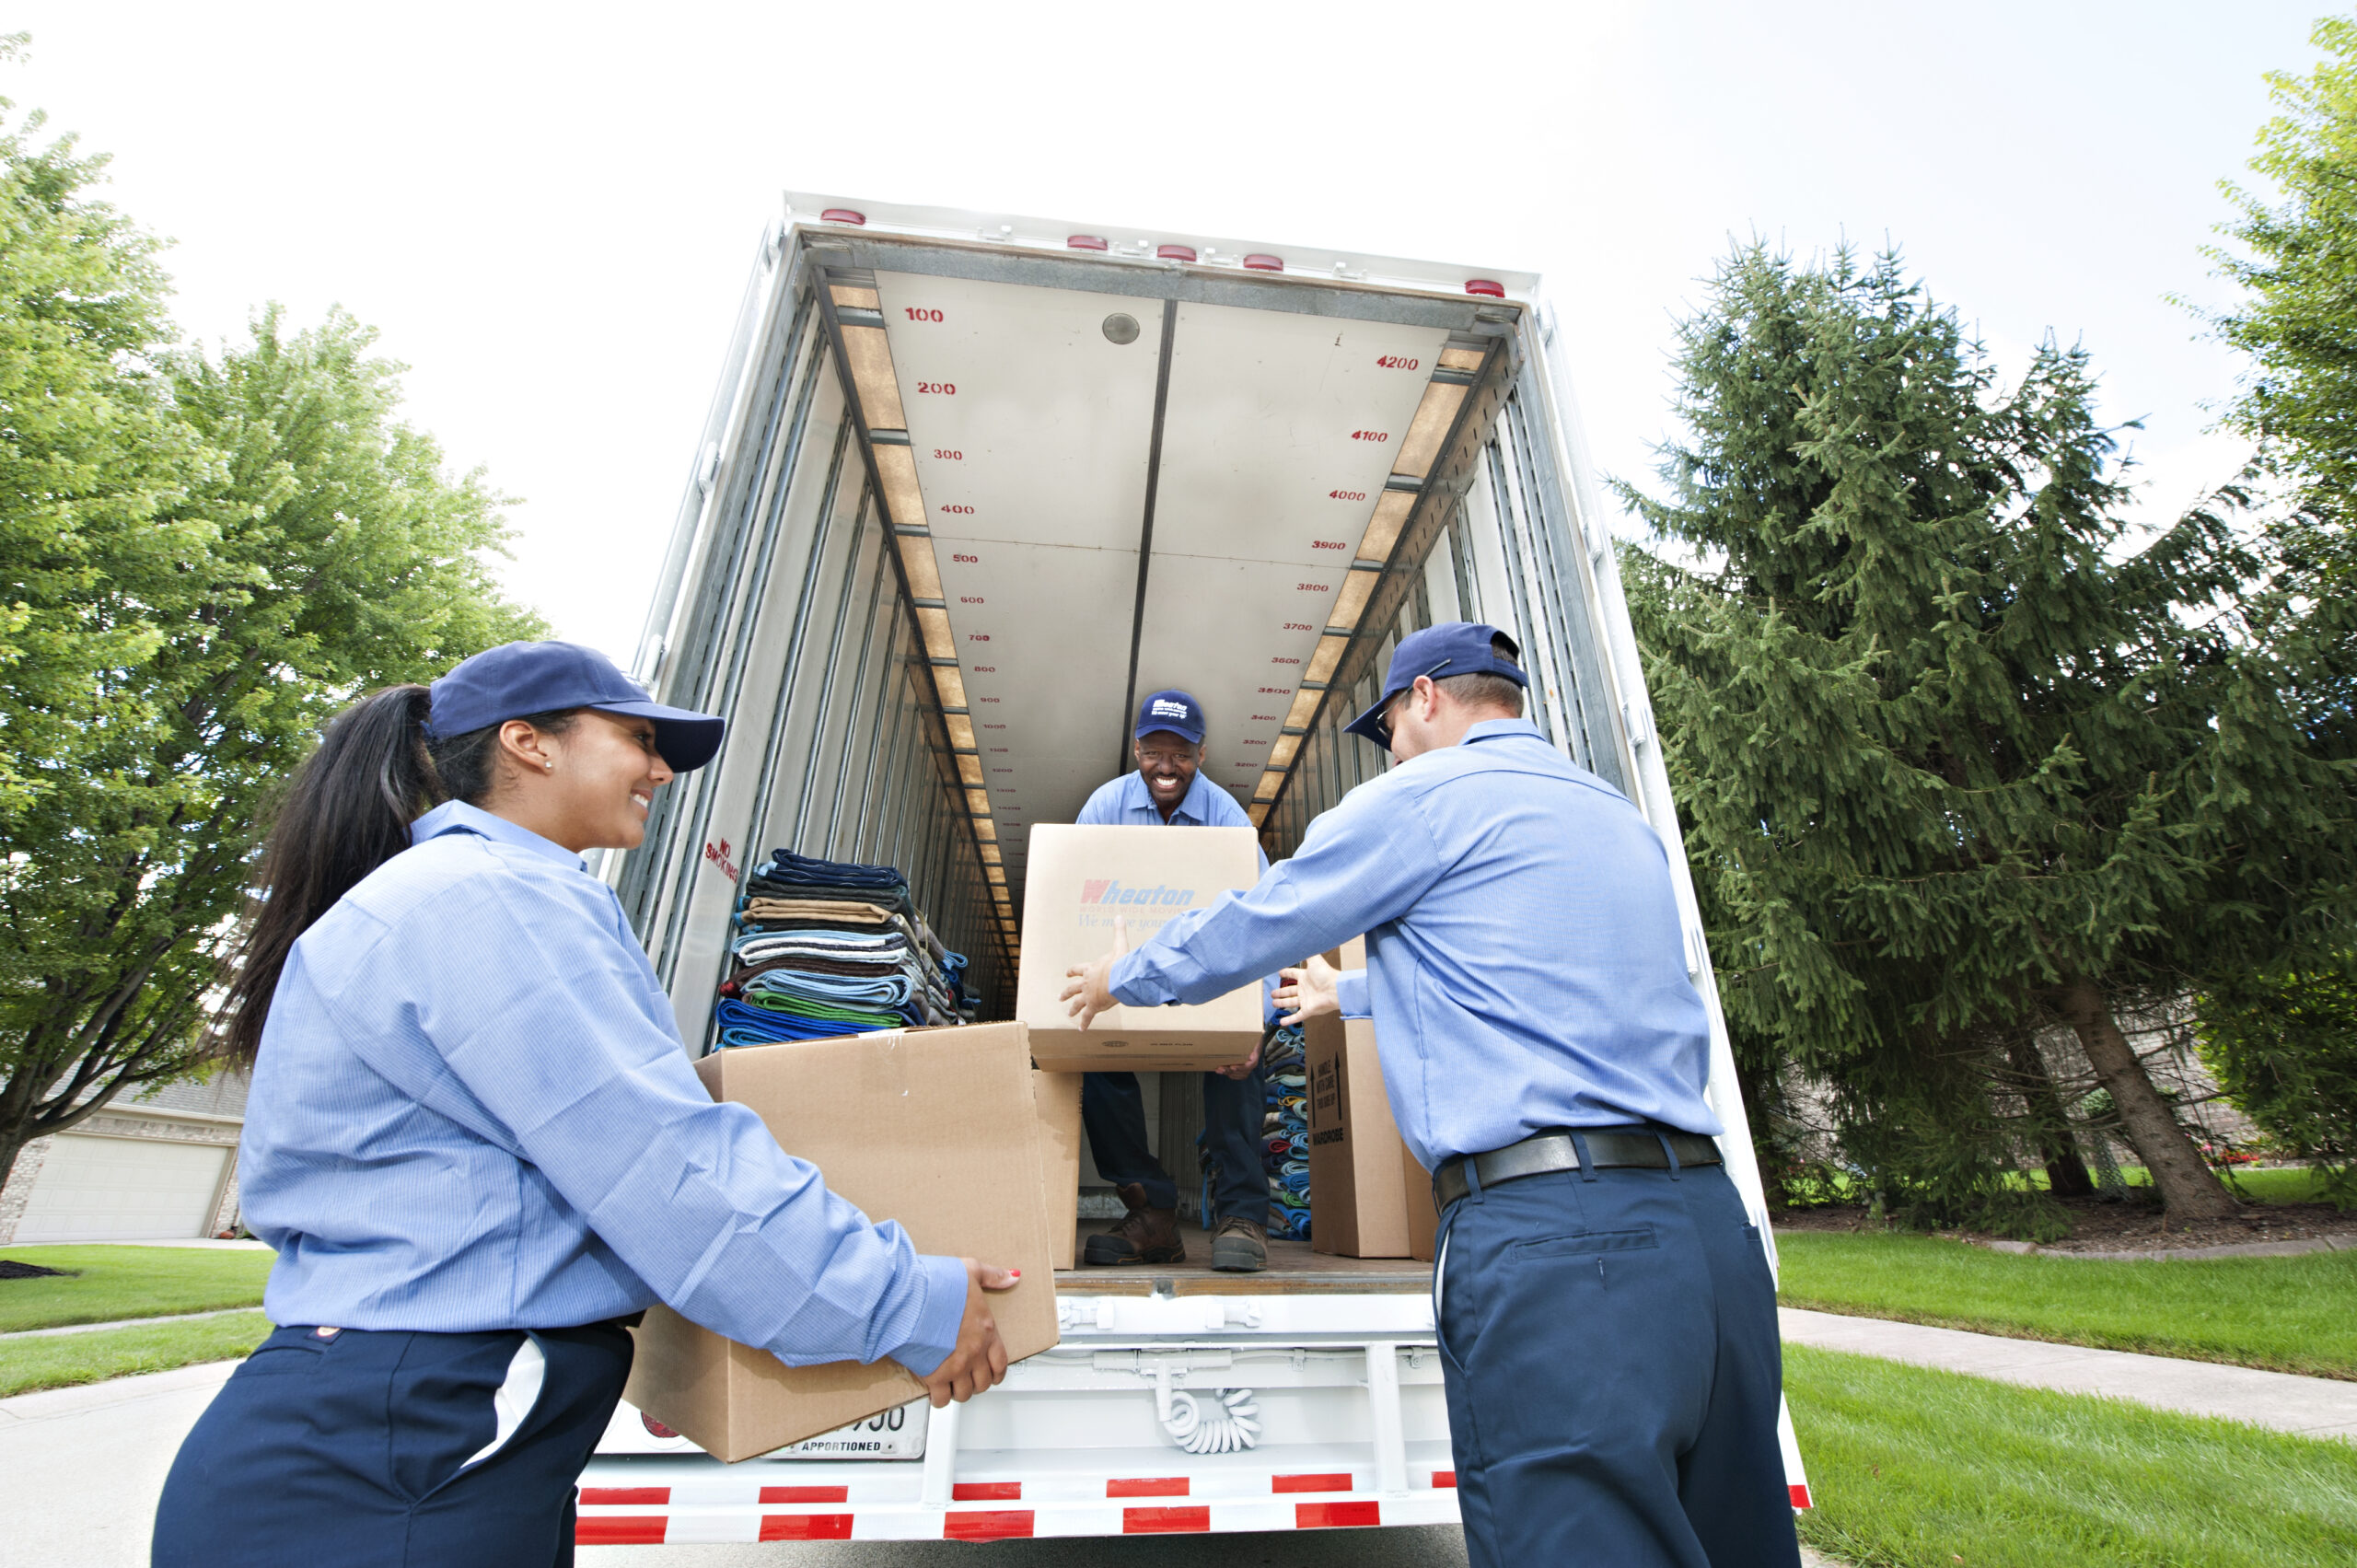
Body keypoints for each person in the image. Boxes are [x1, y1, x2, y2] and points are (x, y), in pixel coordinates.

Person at [153, 641, 1016, 1568]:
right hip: (402, 1454)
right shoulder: (492, 900)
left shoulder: (459, 894)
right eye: (638, 739)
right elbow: (663, 1165)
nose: (657, 769)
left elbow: (561, 1188)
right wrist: (905, 1298)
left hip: (401, 1439)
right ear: (529, 742)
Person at [1062, 625, 1801, 1568]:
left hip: (1562, 1249)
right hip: (1708, 1235)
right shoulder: (1613, 813)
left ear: (1423, 699)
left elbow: (1262, 914)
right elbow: (1530, 975)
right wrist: (1348, 994)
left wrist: (1127, 973)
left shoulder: (1418, 797)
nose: (1392, 749)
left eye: (1390, 727)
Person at [1071, 689, 1275, 1274]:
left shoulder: (1227, 820)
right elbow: (1071, 903)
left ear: (1201, 754)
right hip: (1123, 975)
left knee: (1239, 1059)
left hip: (1200, 976)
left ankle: (1243, 1216)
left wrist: (1254, 1021)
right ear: (1136, 748)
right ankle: (1153, 1209)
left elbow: (1260, 923)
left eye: (1180, 754)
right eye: (1154, 751)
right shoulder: (1104, 808)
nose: (1166, 767)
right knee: (1093, 1055)